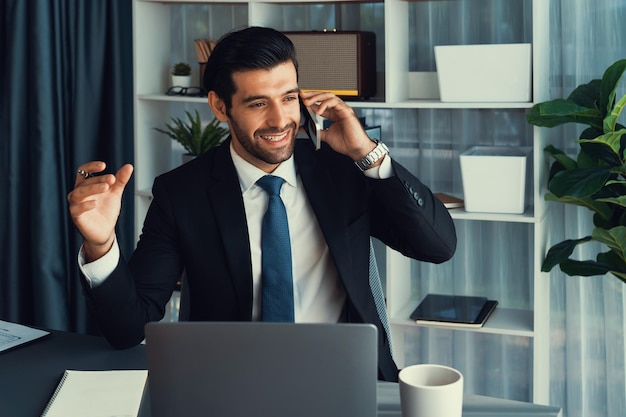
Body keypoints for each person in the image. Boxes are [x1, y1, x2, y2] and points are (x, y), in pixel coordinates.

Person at [67, 26, 457, 382]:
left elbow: (437, 247)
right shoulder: (181, 193)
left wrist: (367, 152)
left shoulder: (343, 169)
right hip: (230, 384)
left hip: (346, 376)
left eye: (288, 98)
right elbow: (128, 329)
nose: (280, 120)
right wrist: (100, 245)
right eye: (257, 104)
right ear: (220, 107)